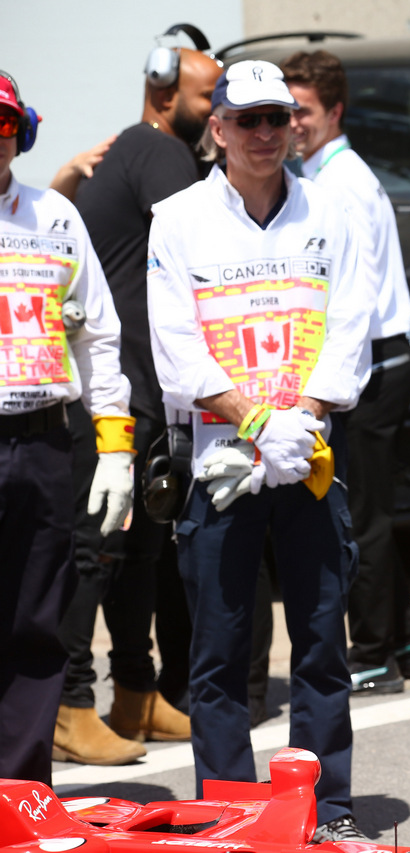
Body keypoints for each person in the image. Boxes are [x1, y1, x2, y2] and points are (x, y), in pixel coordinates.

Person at [146, 59, 373, 842]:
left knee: (320, 643)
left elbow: (351, 327)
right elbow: (175, 350)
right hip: (220, 462)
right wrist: (254, 423)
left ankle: (327, 809)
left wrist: (298, 420)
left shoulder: (331, 211)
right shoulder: (177, 219)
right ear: (218, 129)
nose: (267, 134)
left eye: (277, 118)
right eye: (249, 120)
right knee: (219, 656)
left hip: (307, 456)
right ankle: (231, 816)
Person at [48, 44, 223, 768]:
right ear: (163, 94)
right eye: (210, 97)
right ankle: (68, 702)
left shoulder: (137, 150)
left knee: (141, 554)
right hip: (119, 392)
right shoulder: (158, 151)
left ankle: (136, 693)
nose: (221, 114)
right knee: (97, 553)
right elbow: (209, 236)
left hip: (143, 387)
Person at [281, 49, 410, 695]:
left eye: (303, 112)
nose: (290, 123)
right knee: (368, 507)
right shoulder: (333, 173)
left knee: (359, 518)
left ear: (334, 112)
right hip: (380, 359)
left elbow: (351, 291)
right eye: (285, 110)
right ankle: (408, 637)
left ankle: (374, 653)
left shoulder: (338, 185)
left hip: (371, 364)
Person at [0, 69, 134, 784]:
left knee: (35, 620)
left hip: (45, 439)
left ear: (20, 133)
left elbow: (100, 336)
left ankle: (21, 790)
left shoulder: (54, 217)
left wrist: (116, 448)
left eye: (0, 127)